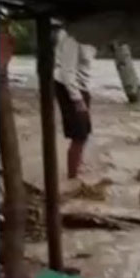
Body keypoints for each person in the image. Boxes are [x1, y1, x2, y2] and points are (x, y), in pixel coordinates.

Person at [53, 28, 97, 180]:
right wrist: (76, 98)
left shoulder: (91, 37)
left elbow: (85, 66)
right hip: (68, 86)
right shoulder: (71, 36)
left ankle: (78, 166)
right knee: (79, 134)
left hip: (82, 87)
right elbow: (67, 71)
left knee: (85, 131)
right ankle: (72, 178)